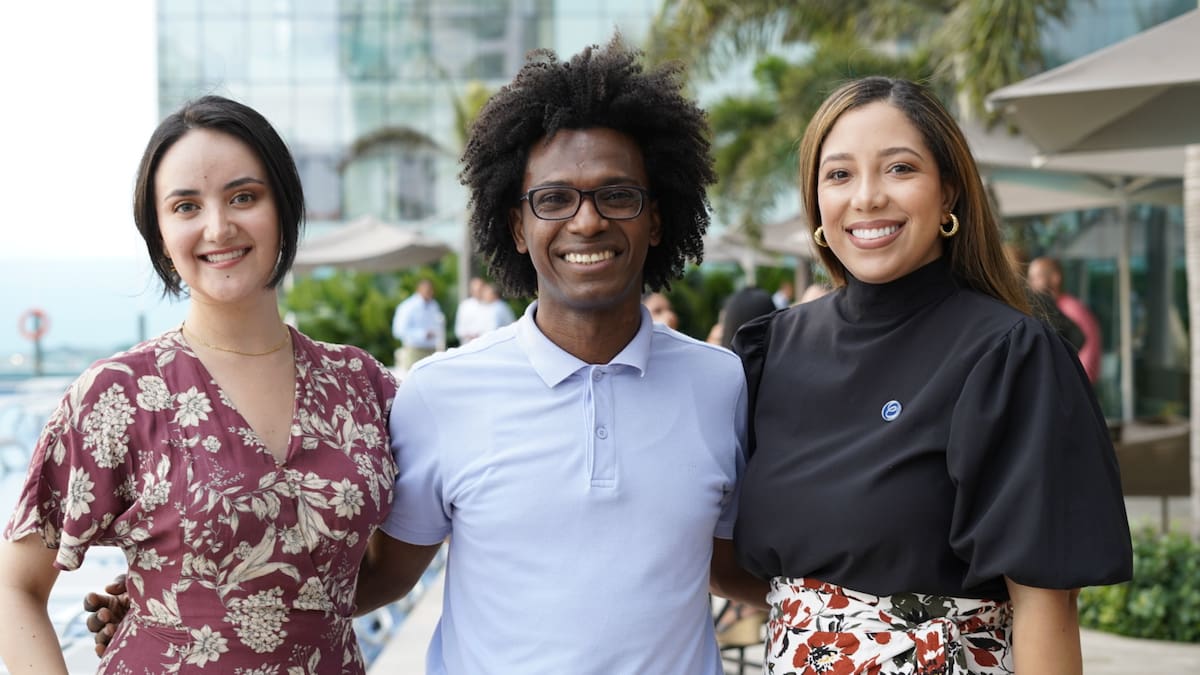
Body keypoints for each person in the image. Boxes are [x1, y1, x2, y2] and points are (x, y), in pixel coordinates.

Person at [350, 37, 758, 674]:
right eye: (554, 198)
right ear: (517, 226)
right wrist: (172, 602)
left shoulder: (722, 383)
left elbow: (731, 568)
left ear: (657, 219)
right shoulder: (439, 392)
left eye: (617, 195)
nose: (587, 221)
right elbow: (381, 577)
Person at [731, 77, 1132, 673]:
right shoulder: (772, 349)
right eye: (839, 175)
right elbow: (740, 567)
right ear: (815, 203)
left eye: (899, 169)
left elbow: (1046, 609)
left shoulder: (1009, 355)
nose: (866, 198)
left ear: (948, 191)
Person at [0, 96, 399, 673]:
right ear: (160, 235)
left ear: (283, 207)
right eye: (186, 206)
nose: (219, 227)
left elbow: (393, 556)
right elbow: (15, 587)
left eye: (244, 197)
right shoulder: (118, 394)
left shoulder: (362, 385)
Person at [1028, 256, 1102, 382]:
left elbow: (1088, 345)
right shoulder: (1053, 307)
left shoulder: (1069, 308)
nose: (1031, 284)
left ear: (1056, 278)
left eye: (1037, 277)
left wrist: (1076, 382)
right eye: (1030, 278)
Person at [393, 278, 445, 371]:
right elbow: (398, 331)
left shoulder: (434, 305)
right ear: (419, 289)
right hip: (415, 351)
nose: (429, 292)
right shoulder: (408, 306)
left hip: (431, 350)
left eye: (431, 290)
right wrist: (423, 334)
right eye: (427, 289)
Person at [453, 276, 486, 344]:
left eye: (481, 289)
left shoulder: (492, 305)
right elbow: (459, 330)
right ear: (471, 291)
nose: (480, 292)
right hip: (469, 345)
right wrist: (470, 335)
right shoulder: (465, 306)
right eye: (477, 290)